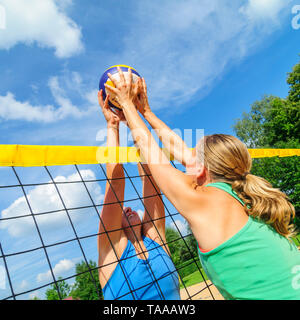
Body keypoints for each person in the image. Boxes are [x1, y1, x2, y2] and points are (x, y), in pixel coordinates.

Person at [103, 67, 300, 300]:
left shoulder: (206, 202)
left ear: (203, 169)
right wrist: (145, 111)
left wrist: (126, 104)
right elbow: (178, 150)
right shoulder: (241, 193)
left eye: (193, 155)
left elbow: (150, 151)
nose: (186, 156)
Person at [97, 90, 180, 300]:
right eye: (123, 211)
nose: (128, 208)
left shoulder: (156, 238)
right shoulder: (111, 249)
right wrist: (112, 126)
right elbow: (115, 185)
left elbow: (151, 180)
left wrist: (132, 121)